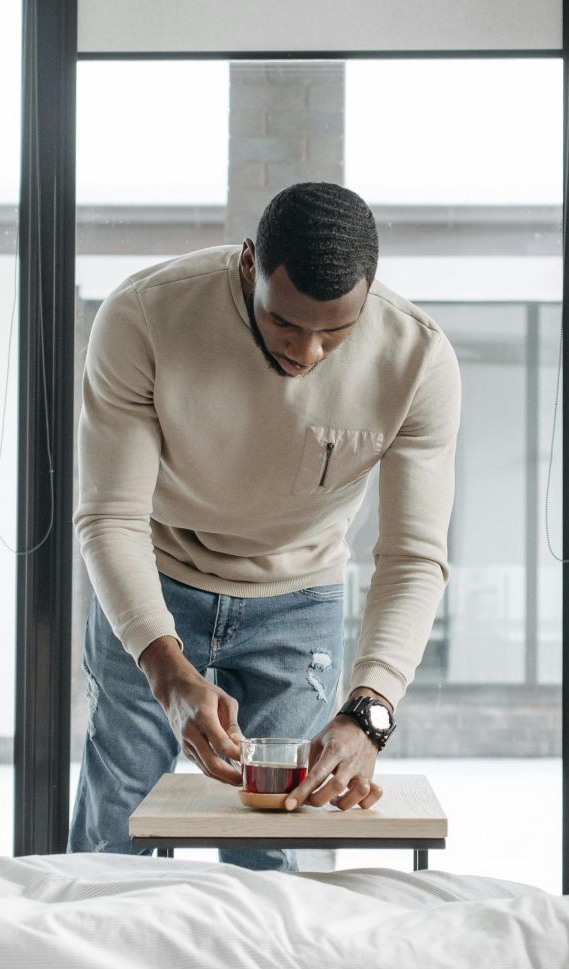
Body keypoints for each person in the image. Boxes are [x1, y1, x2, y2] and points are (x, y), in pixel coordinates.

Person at [71, 183, 461, 870]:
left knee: (276, 847)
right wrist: (166, 672)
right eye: (285, 323)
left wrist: (369, 712)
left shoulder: (419, 362)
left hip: (299, 597)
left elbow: (412, 557)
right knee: (115, 828)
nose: (307, 353)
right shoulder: (143, 315)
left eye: (334, 333)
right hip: (157, 577)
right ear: (249, 265)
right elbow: (111, 515)